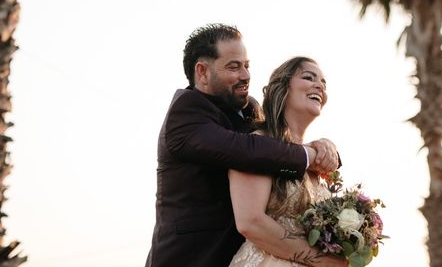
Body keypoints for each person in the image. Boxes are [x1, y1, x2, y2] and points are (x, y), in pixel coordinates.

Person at [145, 24, 340, 267]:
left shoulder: (250, 110)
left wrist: (319, 147)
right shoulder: (185, 114)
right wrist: (307, 155)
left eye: (247, 66)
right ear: (202, 72)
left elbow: (274, 145)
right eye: (234, 67)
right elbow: (247, 149)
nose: (246, 75)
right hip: (192, 257)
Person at [228, 57, 347, 267]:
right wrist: (320, 260)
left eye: (323, 83)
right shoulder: (258, 145)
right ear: (282, 87)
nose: (319, 85)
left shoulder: (315, 161)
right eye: (308, 77)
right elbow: (251, 222)